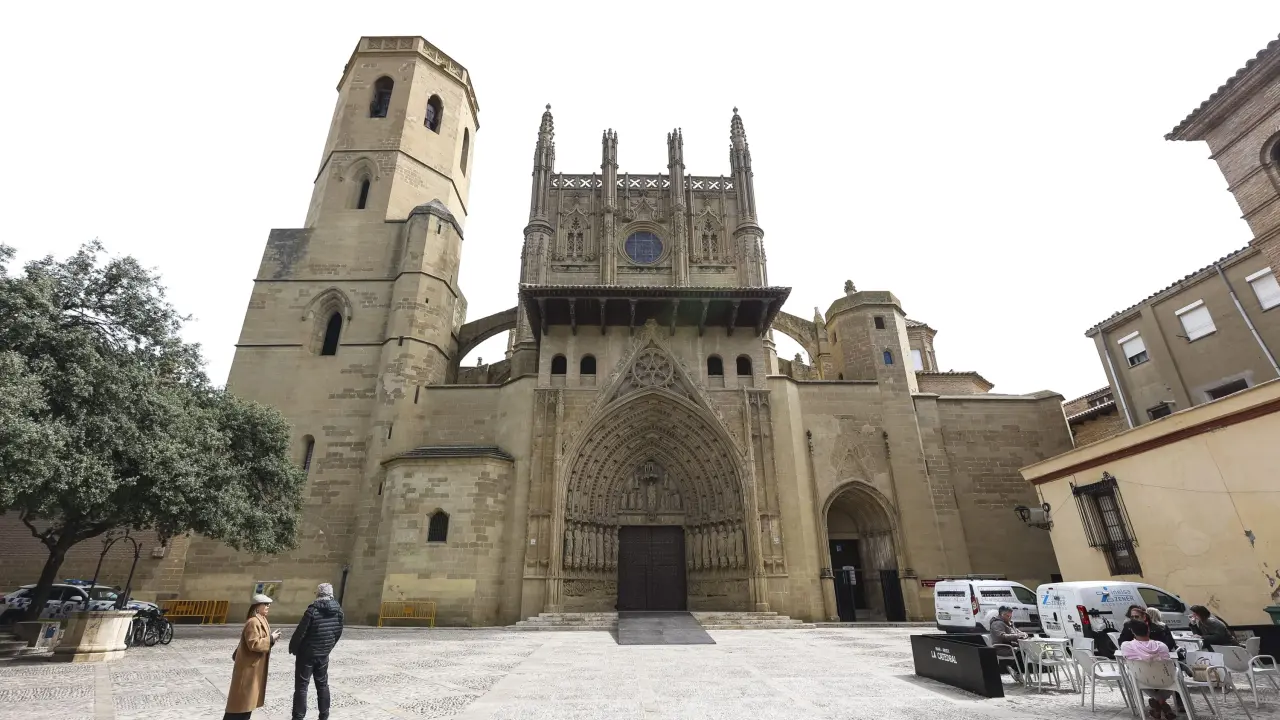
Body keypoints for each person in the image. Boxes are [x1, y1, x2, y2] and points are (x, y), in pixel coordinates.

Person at [288, 583, 345, 720]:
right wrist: (328, 647)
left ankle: (298, 717)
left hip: (307, 654)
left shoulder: (312, 610)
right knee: (322, 685)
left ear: (318, 594)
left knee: (302, 687)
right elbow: (338, 632)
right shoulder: (339, 611)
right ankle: (324, 715)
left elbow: (301, 632)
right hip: (323, 654)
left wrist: (293, 647)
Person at [224, 594, 281, 720]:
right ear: (257, 606)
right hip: (248, 668)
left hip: (254, 668)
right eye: (265, 604)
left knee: (246, 704)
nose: (268, 606)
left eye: (269, 604)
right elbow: (254, 643)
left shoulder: (261, 619)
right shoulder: (253, 622)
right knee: (240, 704)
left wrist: (271, 639)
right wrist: (271, 638)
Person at [1118, 619, 1175, 720]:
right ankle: (1161, 702)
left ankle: (1157, 702)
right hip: (1165, 679)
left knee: (1133, 675)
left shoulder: (1126, 646)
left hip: (1141, 679)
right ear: (1148, 630)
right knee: (1175, 676)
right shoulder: (1161, 646)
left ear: (1133, 632)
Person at [989, 606, 1028, 678]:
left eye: (1011, 616)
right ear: (1002, 614)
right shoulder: (997, 624)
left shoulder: (1008, 622)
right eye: (1008, 616)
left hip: (1011, 646)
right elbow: (1002, 636)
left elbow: (1017, 631)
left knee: (1028, 650)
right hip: (1002, 648)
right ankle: (1016, 671)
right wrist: (1017, 636)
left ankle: (1015, 670)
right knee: (1023, 652)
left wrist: (1024, 634)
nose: (1010, 618)